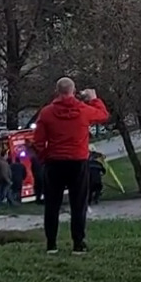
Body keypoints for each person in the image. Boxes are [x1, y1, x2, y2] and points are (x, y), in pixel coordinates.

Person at [32, 77, 109, 255]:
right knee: (78, 203)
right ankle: (78, 243)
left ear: (57, 91)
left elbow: (37, 142)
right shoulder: (83, 110)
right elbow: (103, 115)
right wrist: (93, 98)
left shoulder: (47, 113)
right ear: (74, 91)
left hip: (55, 162)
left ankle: (51, 244)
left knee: (52, 204)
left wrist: (45, 158)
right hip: (78, 161)